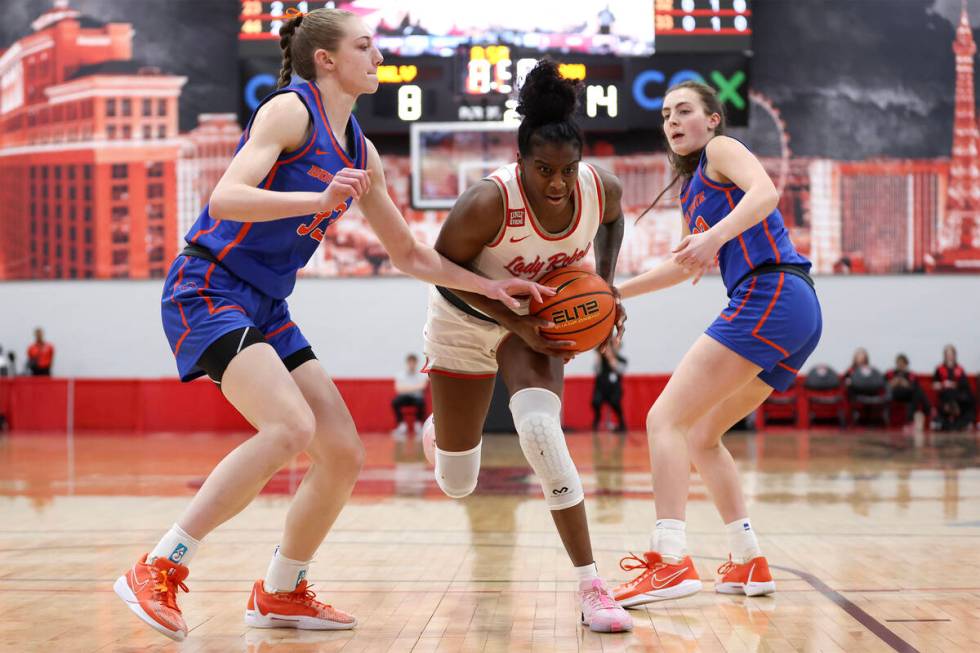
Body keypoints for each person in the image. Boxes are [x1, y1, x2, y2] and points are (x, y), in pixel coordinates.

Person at [113, 8, 550, 643]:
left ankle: (282, 589)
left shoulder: (360, 150)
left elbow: (408, 254)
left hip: (266, 304)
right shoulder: (289, 112)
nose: (378, 59)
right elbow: (224, 199)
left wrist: (491, 287)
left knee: (343, 454)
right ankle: (158, 566)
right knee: (290, 427)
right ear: (326, 59)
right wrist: (315, 201)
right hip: (207, 285)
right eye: (366, 47)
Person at [418, 60, 632, 633]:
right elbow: (441, 271)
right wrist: (509, 321)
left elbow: (614, 221)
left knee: (540, 433)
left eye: (567, 169)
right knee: (457, 482)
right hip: (468, 316)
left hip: (537, 320)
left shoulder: (597, 188)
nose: (557, 183)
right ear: (521, 162)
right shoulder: (488, 202)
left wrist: (607, 287)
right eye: (543, 170)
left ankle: (592, 586)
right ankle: (437, 433)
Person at [611, 81, 821, 607]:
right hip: (791, 309)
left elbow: (767, 193)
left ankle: (671, 559)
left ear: (711, 119)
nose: (673, 122)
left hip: (772, 291)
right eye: (665, 116)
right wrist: (616, 293)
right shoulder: (691, 191)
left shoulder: (721, 151)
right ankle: (748, 557)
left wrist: (715, 237)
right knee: (702, 435)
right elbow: (683, 267)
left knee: (664, 420)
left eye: (684, 111)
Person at [932, 344, 975, 431]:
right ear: (945, 356)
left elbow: (965, 384)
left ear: (955, 356)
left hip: (958, 395)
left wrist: (954, 384)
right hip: (945, 394)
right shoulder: (939, 368)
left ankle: (964, 420)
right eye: (948, 355)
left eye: (951, 354)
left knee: (970, 397)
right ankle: (949, 415)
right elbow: (934, 384)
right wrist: (943, 384)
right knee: (949, 392)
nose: (950, 357)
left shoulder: (960, 369)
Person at [886, 354, 930, 431]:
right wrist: (893, 383)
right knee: (917, 391)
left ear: (906, 364)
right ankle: (928, 409)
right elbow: (884, 385)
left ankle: (910, 422)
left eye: (902, 363)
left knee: (917, 392)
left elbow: (913, 386)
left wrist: (906, 384)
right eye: (898, 363)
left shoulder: (910, 375)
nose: (900, 365)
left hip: (907, 395)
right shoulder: (890, 373)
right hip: (894, 394)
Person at [592, 340, 627, 432]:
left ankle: (621, 423)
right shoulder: (601, 359)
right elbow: (596, 370)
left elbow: (620, 370)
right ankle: (597, 419)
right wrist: (599, 355)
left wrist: (610, 358)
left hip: (614, 388)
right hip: (601, 387)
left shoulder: (622, 360)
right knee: (596, 402)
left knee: (615, 402)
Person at [391, 353, 427, 436]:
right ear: (407, 363)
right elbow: (398, 389)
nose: (411, 365)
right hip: (404, 397)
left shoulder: (422, 374)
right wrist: (415, 387)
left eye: (413, 362)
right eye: (410, 362)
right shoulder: (400, 375)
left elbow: (423, 387)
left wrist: (406, 388)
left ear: (416, 363)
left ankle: (418, 425)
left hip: (417, 398)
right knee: (395, 402)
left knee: (421, 403)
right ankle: (401, 425)